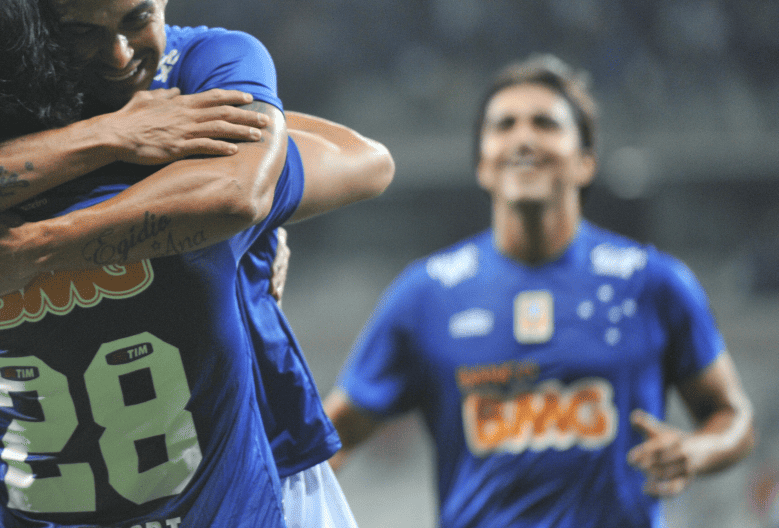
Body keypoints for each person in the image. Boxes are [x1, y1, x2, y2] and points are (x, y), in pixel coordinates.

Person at [0, 0, 392, 526]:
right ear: (39, 20)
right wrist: (125, 138)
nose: (119, 55)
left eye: (136, 20)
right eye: (82, 32)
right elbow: (333, 168)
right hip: (233, 484)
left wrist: (40, 243)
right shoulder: (178, 181)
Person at [323, 54, 756, 527]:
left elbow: (733, 417)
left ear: (586, 161)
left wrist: (696, 450)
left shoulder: (653, 283)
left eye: (545, 124)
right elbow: (329, 438)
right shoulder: (425, 295)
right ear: (482, 164)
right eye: (504, 125)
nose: (523, 138)